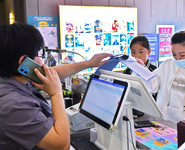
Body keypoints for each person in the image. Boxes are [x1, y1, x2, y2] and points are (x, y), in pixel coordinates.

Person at [0, 22, 112, 150]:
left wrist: (89, 63)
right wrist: (56, 93)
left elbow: (52, 73)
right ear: (24, 62)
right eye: (39, 54)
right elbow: (61, 145)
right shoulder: (15, 105)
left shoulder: (11, 79)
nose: (43, 60)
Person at [135, 31, 185, 123]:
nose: (177, 59)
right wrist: (141, 70)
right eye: (174, 54)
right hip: (164, 121)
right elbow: (152, 85)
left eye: (182, 55)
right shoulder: (168, 65)